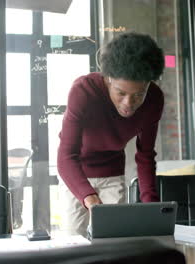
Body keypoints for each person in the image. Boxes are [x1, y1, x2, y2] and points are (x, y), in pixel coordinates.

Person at [57, 32, 165, 237]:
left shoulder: (154, 100)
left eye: (138, 94)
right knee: (73, 239)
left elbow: (145, 156)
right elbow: (65, 156)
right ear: (107, 80)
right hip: (75, 170)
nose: (128, 104)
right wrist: (88, 196)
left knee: (115, 239)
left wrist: (152, 207)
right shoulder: (83, 91)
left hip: (112, 172)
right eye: (121, 93)